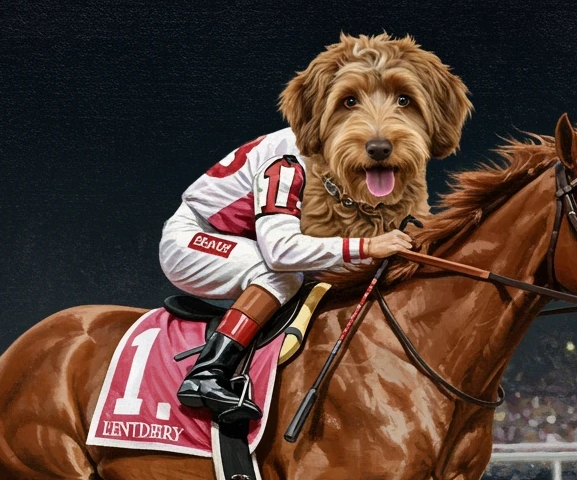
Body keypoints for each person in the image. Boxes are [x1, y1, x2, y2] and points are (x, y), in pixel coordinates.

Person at [159, 127, 413, 423]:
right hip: (193, 238)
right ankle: (207, 374)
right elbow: (280, 253)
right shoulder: (287, 162)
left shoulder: (320, 158)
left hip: (240, 239)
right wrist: (368, 245)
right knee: (280, 276)